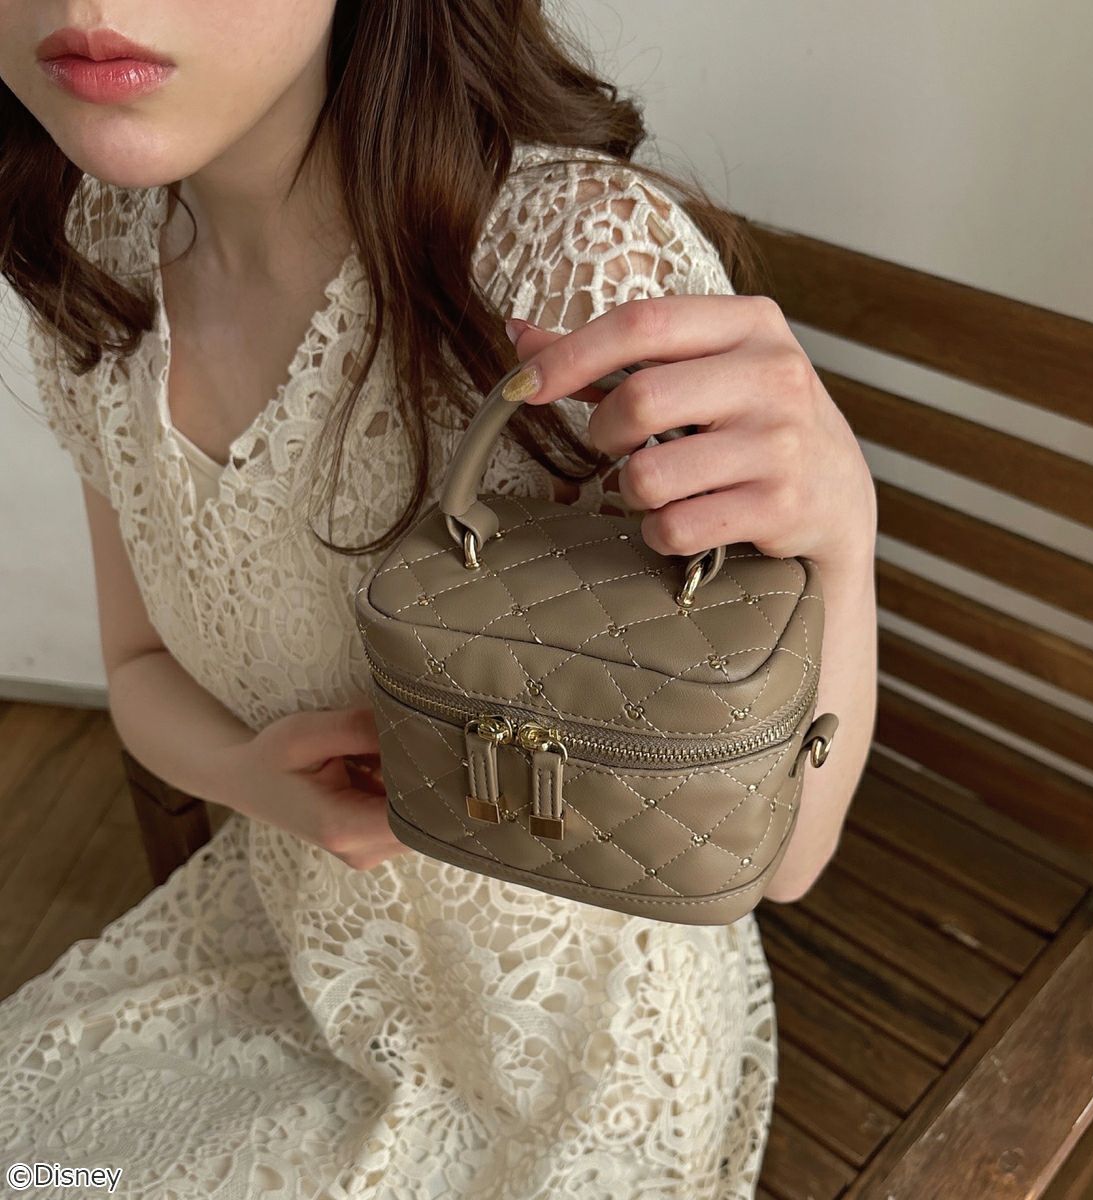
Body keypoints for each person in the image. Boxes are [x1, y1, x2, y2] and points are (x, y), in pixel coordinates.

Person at [0, 1, 879, 1196]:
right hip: (289, 948)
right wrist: (258, 780)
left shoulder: (570, 269)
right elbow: (139, 666)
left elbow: (783, 861)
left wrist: (843, 537)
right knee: (41, 1174)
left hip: (563, 1058)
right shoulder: (93, 250)